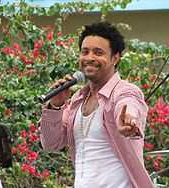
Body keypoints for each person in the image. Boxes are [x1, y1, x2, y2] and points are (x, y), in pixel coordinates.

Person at [39, 21, 154, 188]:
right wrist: (55, 106)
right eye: (85, 52)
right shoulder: (77, 100)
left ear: (115, 58)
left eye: (98, 52)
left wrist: (128, 119)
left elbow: (128, 103)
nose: (89, 58)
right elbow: (50, 144)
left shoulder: (124, 91)